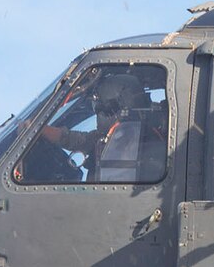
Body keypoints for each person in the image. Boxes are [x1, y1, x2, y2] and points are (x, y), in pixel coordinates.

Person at [38, 69, 167, 183]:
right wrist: (38, 128)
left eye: (99, 110)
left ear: (109, 109)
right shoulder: (104, 139)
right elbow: (70, 138)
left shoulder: (138, 139)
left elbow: (71, 139)